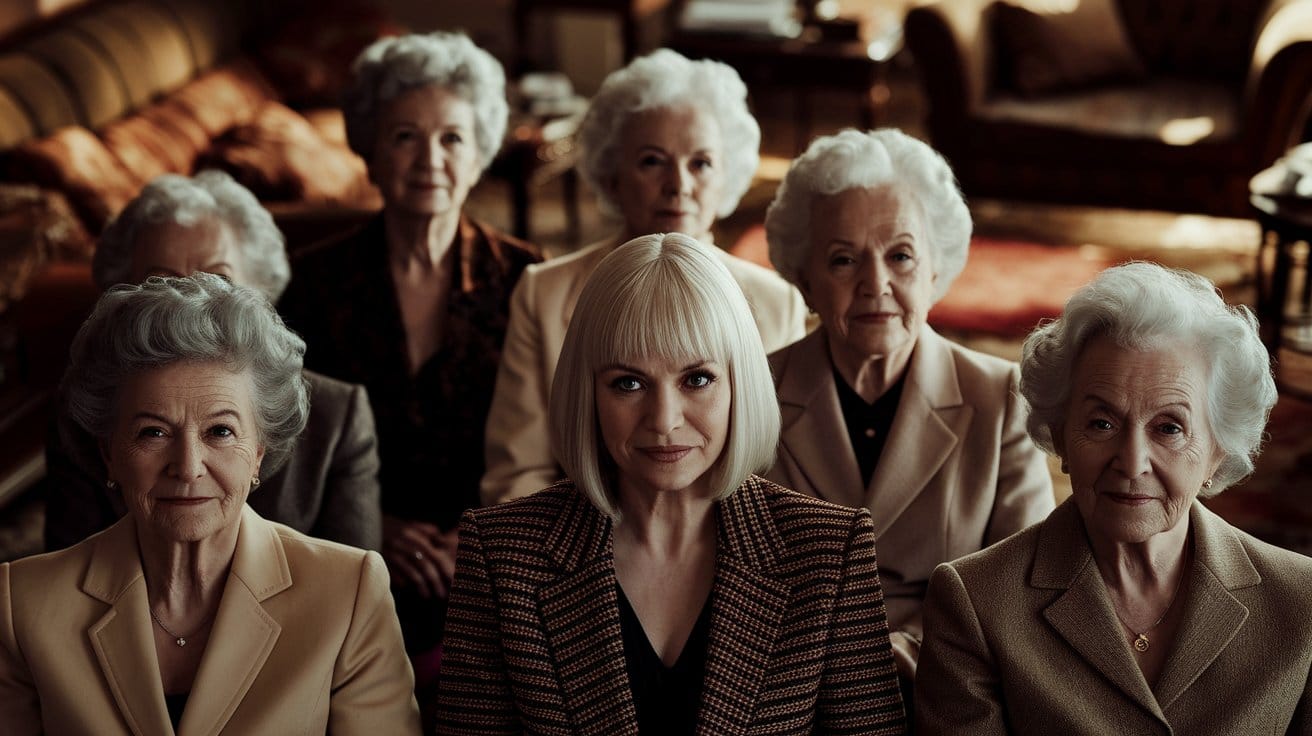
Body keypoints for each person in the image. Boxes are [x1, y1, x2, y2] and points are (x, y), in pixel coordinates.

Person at [437, 233, 905, 735]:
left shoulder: (830, 552)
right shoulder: (500, 554)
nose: (663, 420)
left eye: (696, 379)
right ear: (586, 392)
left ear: (738, 382)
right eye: (628, 383)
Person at [0, 274, 419, 735]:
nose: (188, 466)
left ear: (259, 451)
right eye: (152, 432)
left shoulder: (350, 594)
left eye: (220, 431)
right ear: (109, 453)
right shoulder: (21, 606)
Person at [915, 262, 1312, 734]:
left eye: (1169, 428)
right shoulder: (975, 604)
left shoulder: (1302, 603)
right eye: (1102, 423)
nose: (1132, 460)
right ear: (1060, 437)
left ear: (1216, 451)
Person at [276, 32, 541, 673]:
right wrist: (378, 526)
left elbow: (554, 439)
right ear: (368, 150)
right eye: (404, 137)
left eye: (452, 137)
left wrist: (477, 539)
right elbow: (287, 433)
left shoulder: (530, 280)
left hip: (492, 553)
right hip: (350, 547)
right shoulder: (312, 283)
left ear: (479, 155)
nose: (430, 159)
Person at [762, 129, 1054, 681]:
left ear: (937, 269)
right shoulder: (753, 393)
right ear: (803, 279)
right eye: (843, 260)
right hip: (790, 682)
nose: (876, 284)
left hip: (949, 679)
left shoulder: (1000, 399)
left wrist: (915, 655)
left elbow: (1023, 585)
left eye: (900, 256)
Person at [480, 48, 808, 506]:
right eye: (653, 161)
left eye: (701, 163)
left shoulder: (776, 304)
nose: (678, 183)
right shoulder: (545, 293)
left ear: (727, 176)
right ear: (612, 176)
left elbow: (782, 474)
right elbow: (519, 472)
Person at [44, 170, 382, 552]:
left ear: (261, 290)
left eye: (218, 279)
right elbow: (70, 576)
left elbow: (350, 586)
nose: (191, 303)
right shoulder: (89, 408)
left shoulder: (337, 414)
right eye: (162, 282)